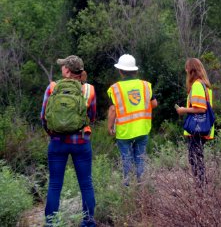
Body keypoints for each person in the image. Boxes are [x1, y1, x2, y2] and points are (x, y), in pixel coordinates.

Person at [40, 55, 96, 226]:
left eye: (63, 66)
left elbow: (43, 117)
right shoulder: (89, 90)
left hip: (57, 142)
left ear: (67, 70)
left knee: (55, 185)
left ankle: (51, 223)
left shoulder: (52, 88)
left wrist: (52, 132)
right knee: (86, 184)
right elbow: (92, 117)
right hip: (81, 142)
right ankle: (88, 222)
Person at [107, 54, 157, 185]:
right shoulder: (145, 85)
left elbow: (113, 110)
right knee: (140, 158)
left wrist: (110, 127)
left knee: (126, 158)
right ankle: (141, 185)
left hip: (124, 131)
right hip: (142, 128)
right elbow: (154, 104)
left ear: (120, 71)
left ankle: (128, 186)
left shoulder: (115, 88)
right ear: (135, 71)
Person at [176, 58, 214, 186]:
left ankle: (200, 189)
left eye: (186, 69)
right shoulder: (205, 85)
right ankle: (202, 187)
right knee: (198, 158)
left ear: (190, 70)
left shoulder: (197, 85)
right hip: (202, 128)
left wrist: (183, 110)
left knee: (195, 160)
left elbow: (200, 108)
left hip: (197, 129)